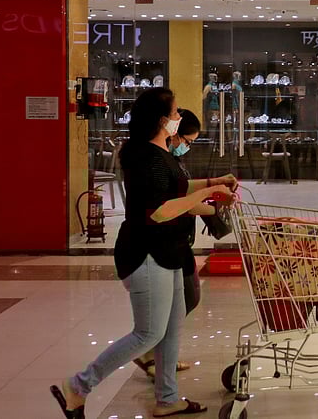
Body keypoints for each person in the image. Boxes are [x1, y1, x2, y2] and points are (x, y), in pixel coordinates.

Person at [51, 88, 236, 419]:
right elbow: (160, 210)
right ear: (163, 119)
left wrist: (213, 181)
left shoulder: (160, 153)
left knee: (171, 327)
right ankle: (79, 386)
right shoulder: (145, 157)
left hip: (171, 250)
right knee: (148, 332)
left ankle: (167, 398)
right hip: (147, 252)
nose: (179, 117)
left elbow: (175, 188)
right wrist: (209, 192)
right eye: (176, 112)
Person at [131, 109, 225, 380]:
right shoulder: (155, 162)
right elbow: (166, 206)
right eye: (187, 140)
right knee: (179, 304)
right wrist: (208, 206)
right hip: (162, 243)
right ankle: (152, 359)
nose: (187, 146)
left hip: (178, 240)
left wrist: (212, 185)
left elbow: (182, 190)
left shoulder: (170, 160)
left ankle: (161, 366)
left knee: (187, 299)